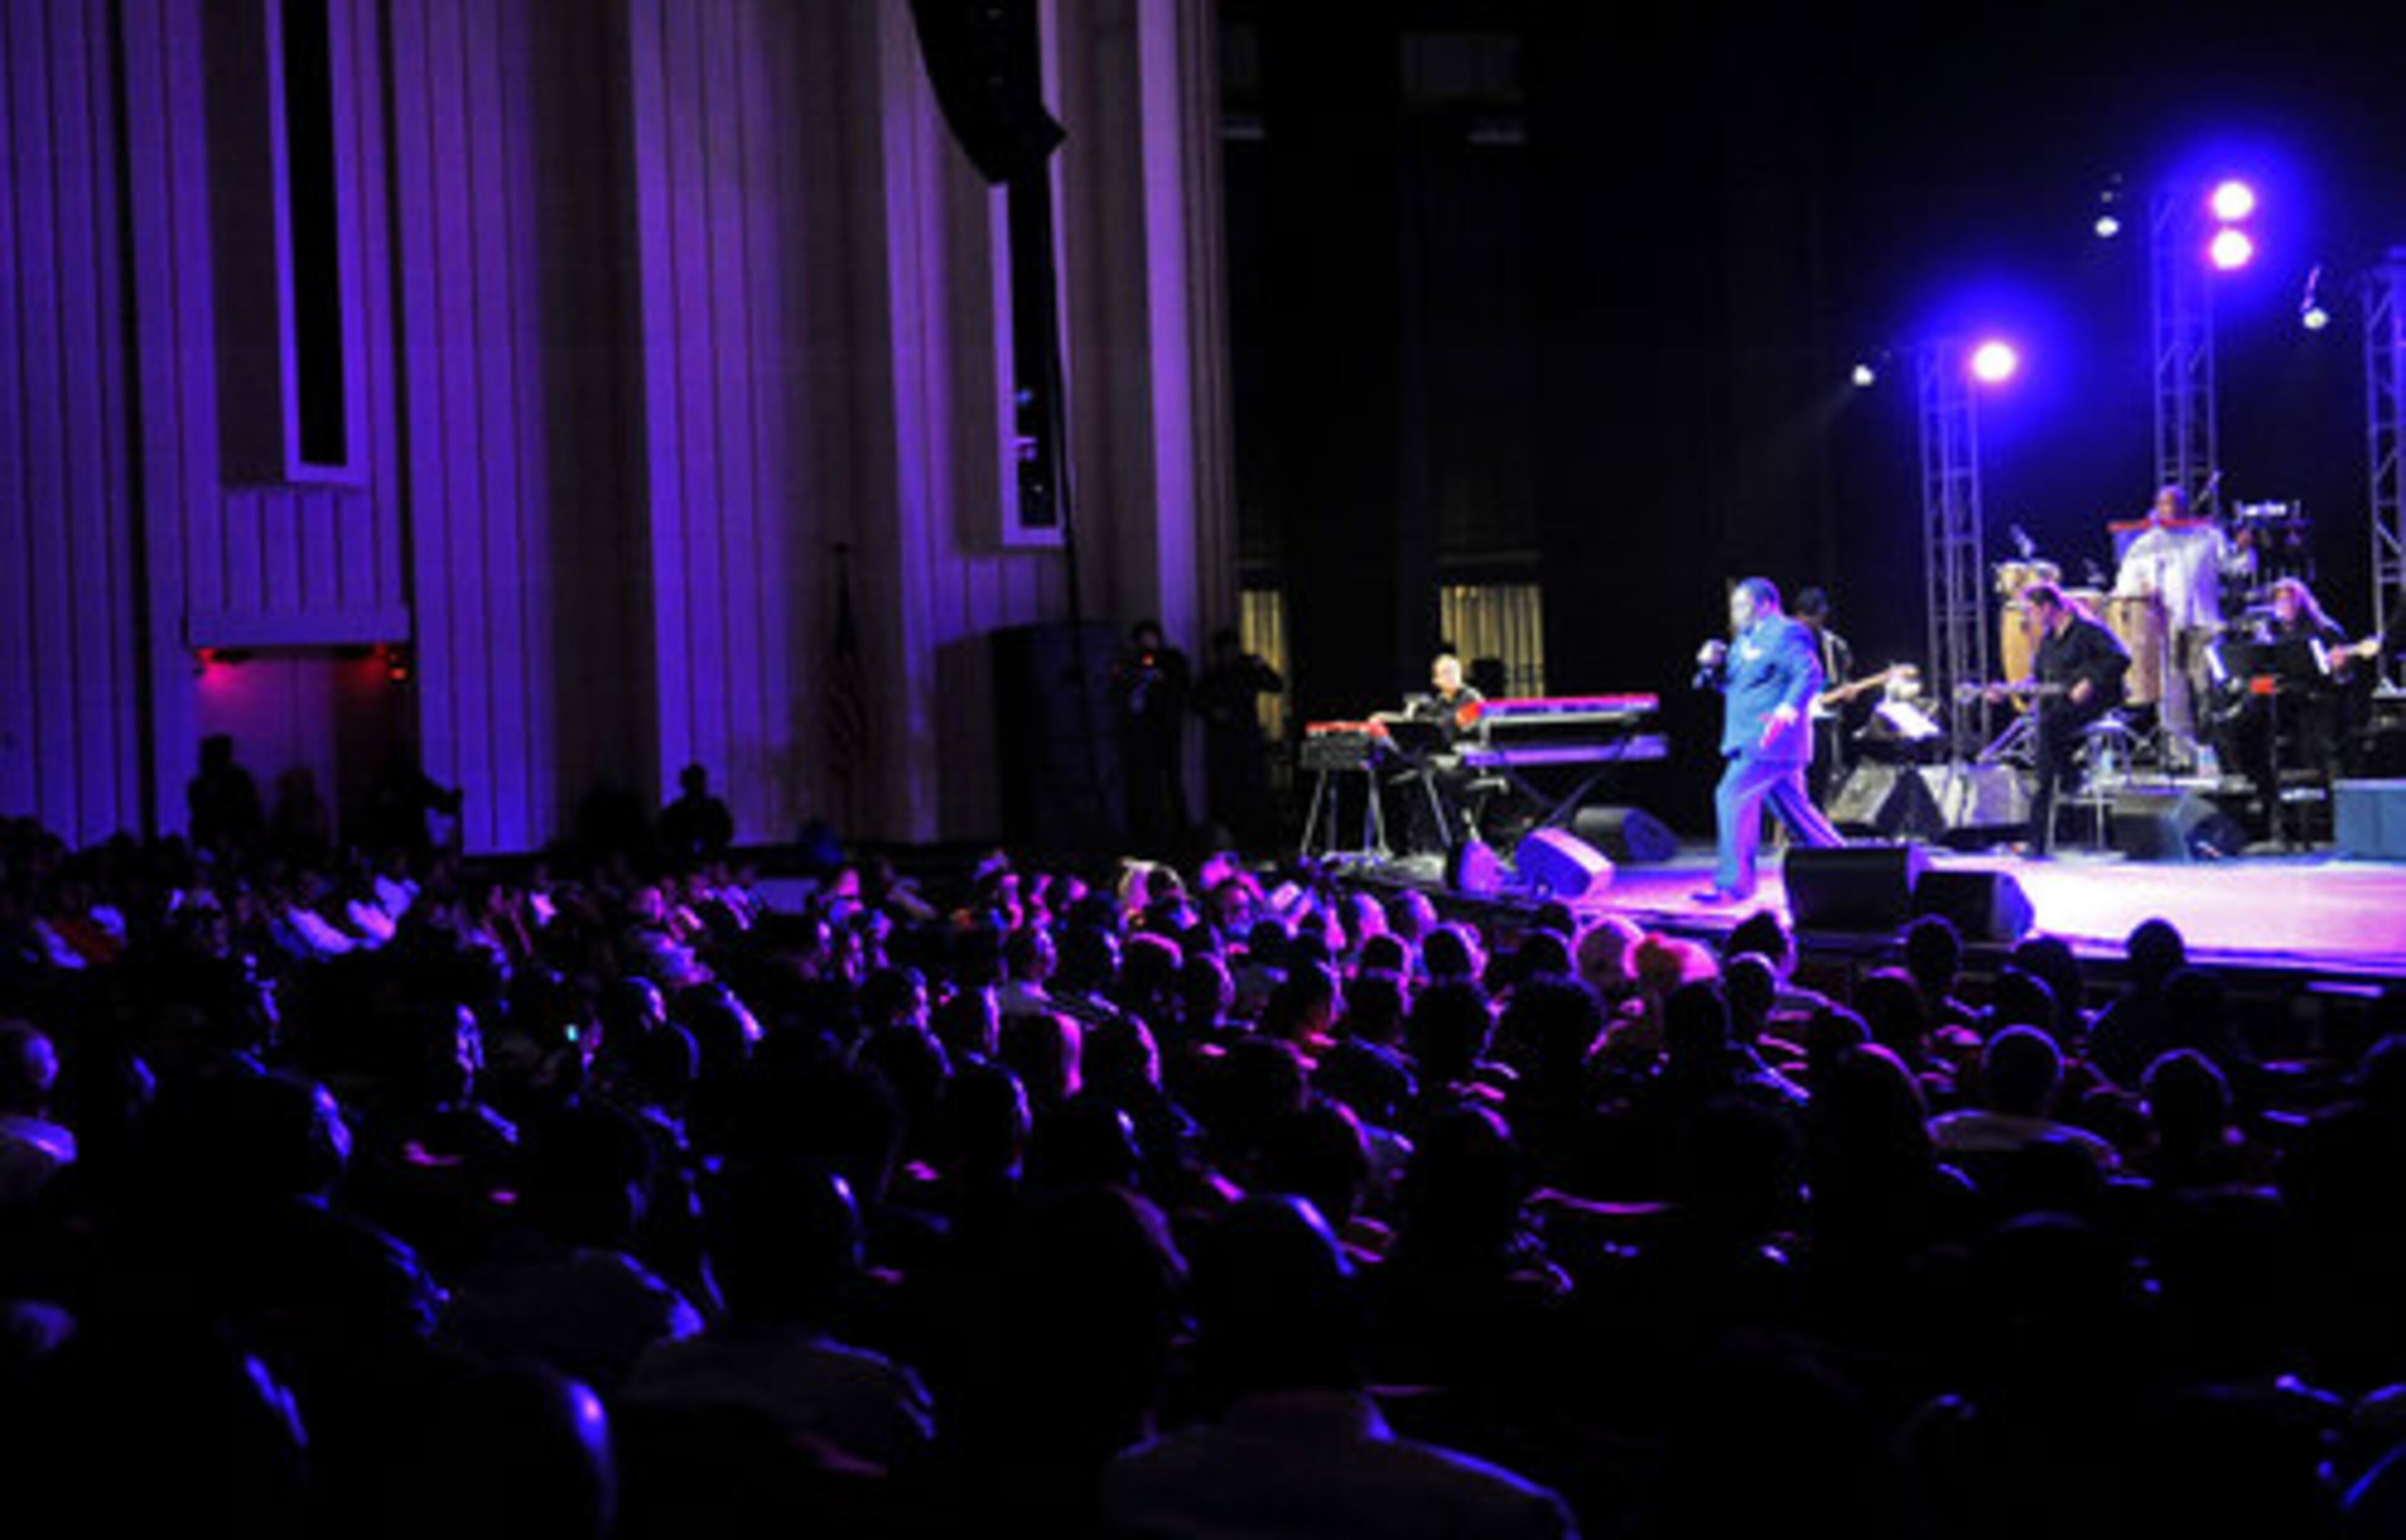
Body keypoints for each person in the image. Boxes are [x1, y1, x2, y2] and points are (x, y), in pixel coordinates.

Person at [1693, 578, 1843, 903]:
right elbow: (1732, 687)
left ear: (1764, 604)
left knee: (1730, 795)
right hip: (1752, 740)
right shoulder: (1743, 640)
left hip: (1769, 742)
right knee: (1797, 813)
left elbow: (1809, 673)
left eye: (1741, 605)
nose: (1735, 614)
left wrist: (1785, 713)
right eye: (1733, 607)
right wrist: (1711, 667)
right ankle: (1849, 866)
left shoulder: (1785, 631)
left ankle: (1734, 886)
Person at [2113, 483, 2251, 757]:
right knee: (2172, 691)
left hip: (2205, 623)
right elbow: (2124, 584)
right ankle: (2181, 755)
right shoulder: (2146, 544)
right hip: (2164, 626)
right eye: (2164, 504)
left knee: (2208, 688)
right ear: (2156, 507)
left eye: (2176, 503)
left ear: (2187, 507)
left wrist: (2245, 549)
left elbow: (2236, 568)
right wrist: (2141, 588)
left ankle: (2214, 752)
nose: (2170, 509)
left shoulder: (2209, 536)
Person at [2210, 576, 2347, 830]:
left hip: (2309, 700)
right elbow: (2259, 672)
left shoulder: (2325, 630)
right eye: (2278, 600)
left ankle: (2327, 816)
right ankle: (2261, 794)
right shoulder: (2268, 633)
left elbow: (2340, 678)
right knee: (2239, 723)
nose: (2283, 605)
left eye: (2289, 599)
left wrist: (2339, 666)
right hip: (2276, 701)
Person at [2014, 582, 2130, 855]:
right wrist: (2015, 688)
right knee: (2048, 733)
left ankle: (2042, 834)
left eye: (2032, 610)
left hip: (2094, 704)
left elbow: (2120, 658)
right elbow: (2042, 678)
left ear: (2048, 607)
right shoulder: (2048, 641)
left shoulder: (2088, 631)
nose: (2029, 617)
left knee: (2049, 731)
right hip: (2060, 708)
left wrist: (2090, 681)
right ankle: (2067, 780)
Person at [1191, 629, 1284, 851]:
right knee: (1227, 792)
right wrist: (1213, 712)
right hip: (1223, 742)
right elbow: (1196, 702)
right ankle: (1230, 840)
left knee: (1252, 790)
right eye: (1225, 651)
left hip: (1247, 739)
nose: (1229, 655)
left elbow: (1276, 685)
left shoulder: (1247, 672)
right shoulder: (1212, 676)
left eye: (1233, 650)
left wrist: (1262, 666)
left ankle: (1256, 839)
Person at [1113, 620, 1192, 854]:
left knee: (1172, 781)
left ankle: (1180, 834)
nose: (1146, 643)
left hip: (1167, 729)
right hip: (1142, 734)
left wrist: (1162, 680)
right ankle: (1150, 832)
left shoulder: (1172, 660)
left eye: (1150, 637)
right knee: (1146, 784)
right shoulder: (1131, 662)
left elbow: (1182, 689)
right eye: (1142, 639)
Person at [1795, 588, 1857, 809]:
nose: (1810, 623)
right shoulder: (1785, 639)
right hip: (1791, 720)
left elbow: (1839, 681)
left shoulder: (1834, 645)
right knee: (1794, 780)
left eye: (1816, 617)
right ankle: (1786, 834)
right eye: (1806, 618)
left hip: (1823, 721)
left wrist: (1846, 692)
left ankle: (1816, 831)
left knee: (1823, 777)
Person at [187, 734, 265, 860]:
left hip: (240, 839)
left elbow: (250, 812)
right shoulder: (199, 786)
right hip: (210, 839)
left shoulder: (241, 781)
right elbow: (200, 813)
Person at [659, 764, 736, 866]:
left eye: (699, 781)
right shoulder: (675, 811)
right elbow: (667, 837)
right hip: (682, 862)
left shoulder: (715, 808)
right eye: (692, 781)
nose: (696, 786)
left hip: (713, 860)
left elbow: (726, 832)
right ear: (685, 784)